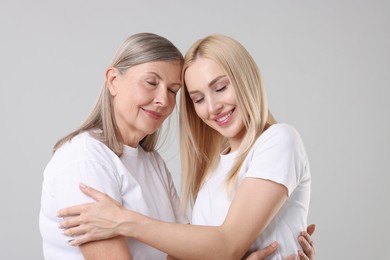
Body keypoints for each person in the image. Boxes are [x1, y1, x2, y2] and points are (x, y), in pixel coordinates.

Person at [58, 34, 314, 260]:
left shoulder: (279, 139)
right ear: (113, 81)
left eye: (221, 87)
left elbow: (226, 246)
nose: (213, 107)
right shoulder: (85, 158)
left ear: (246, 78)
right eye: (198, 99)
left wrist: (123, 221)